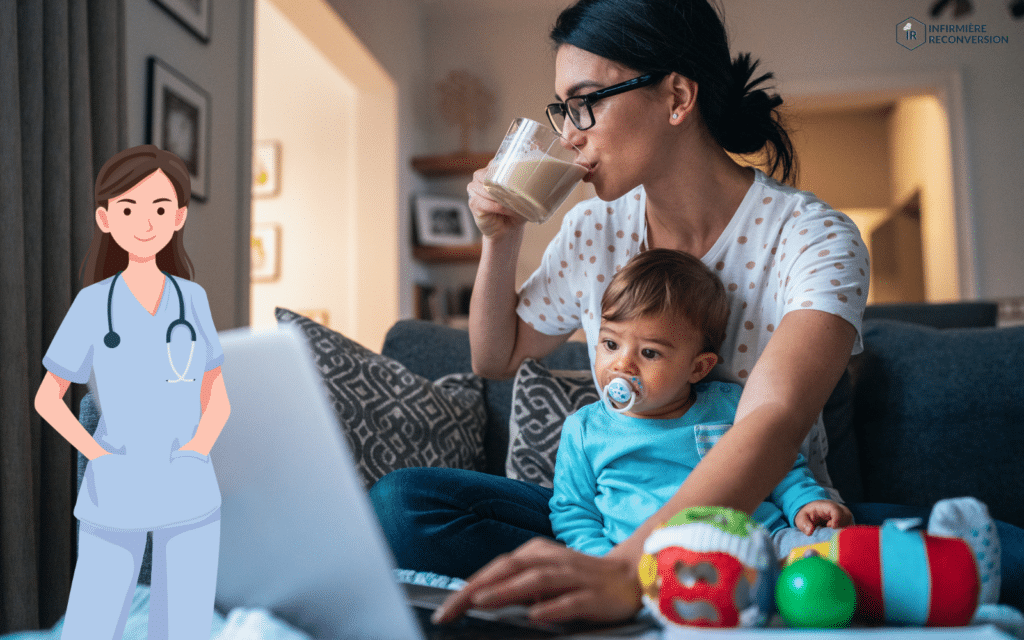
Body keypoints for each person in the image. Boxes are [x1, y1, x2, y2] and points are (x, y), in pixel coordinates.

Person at [371, 0, 1021, 624]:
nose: (568, 136)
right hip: (616, 521)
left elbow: (771, 418)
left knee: (1007, 556)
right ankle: (644, 582)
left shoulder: (813, 237)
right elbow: (495, 356)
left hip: (768, 518)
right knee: (403, 507)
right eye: (561, 110)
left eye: (585, 105)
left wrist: (633, 571)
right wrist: (500, 236)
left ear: (677, 98)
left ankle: (746, 579)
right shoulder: (592, 228)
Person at [34, 145, 230, 640]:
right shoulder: (91, 304)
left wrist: (196, 452)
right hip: (114, 493)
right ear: (105, 218)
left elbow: (217, 396)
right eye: (129, 209)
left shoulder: (193, 300)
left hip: (189, 491)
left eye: (160, 209)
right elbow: (47, 397)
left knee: (184, 630)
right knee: (91, 628)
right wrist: (98, 455)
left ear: (179, 217)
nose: (145, 222)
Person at [549, 249, 852, 560]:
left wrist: (805, 502)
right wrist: (602, 564)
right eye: (610, 344)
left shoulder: (731, 405)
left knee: (836, 551)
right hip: (648, 565)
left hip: (760, 544)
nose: (622, 364)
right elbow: (574, 513)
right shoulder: (584, 430)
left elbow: (778, 468)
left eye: (650, 353)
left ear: (698, 368)